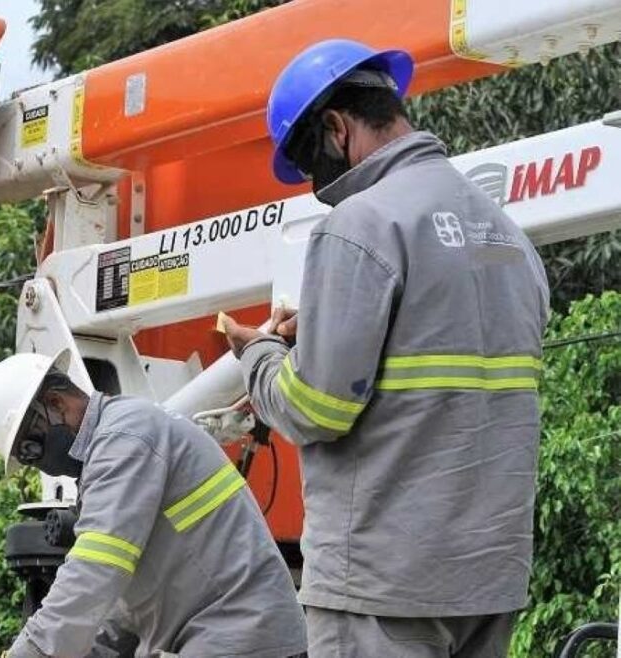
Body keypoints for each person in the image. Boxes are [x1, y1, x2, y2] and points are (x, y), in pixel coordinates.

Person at [221, 39, 550, 657]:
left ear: (335, 128)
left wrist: (259, 355)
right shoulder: (507, 234)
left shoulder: (359, 224)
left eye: (309, 162)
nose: (318, 187)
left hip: (383, 586)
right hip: (489, 578)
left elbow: (316, 408)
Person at [0, 350, 307, 658]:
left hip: (242, 634)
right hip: (225, 631)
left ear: (56, 403)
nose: (39, 465)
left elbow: (94, 572)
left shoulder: (125, 438)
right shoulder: (118, 440)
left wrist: (32, 651)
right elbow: (126, 605)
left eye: (31, 448)